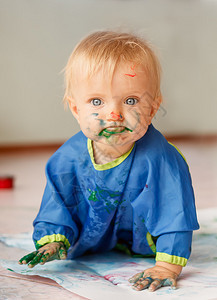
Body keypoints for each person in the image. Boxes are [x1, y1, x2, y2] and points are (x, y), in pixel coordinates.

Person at [18, 31, 199, 292]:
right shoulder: (68, 158)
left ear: (152, 107)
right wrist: (53, 241)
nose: (114, 114)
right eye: (96, 101)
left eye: (130, 101)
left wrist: (166, 266)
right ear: (76, 109)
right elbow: (57, 203)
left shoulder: (161, 159)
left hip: (145, 239)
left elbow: (175, 213)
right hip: (94, 238)